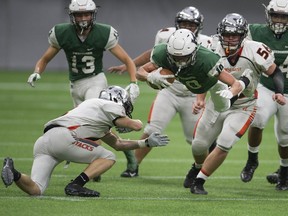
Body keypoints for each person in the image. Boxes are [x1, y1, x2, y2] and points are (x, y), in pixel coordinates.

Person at [26, 0, 140, 178]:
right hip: (75, 84)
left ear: (93, 14)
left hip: (95, 81)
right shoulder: (62, 33)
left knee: (96, 121)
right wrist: (36, 71)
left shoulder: (103, 33)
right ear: (72, 16)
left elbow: (127, 60)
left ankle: (117, 160)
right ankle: (100, 159)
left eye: (86, 14)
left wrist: (133, 81)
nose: (83, 18)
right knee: (85, 125)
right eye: (79, 14)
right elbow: (45, 58)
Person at [1, 86, 169, 197]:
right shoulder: (108, 105)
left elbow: (118, 144)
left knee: (36, 190)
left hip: (44, 142)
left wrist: (145, 143)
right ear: (118, 101)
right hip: (64, 138)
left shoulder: (95, 115)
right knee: (108, 157)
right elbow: (136, 125)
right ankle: (76, 185)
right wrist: (136, 124)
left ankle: (14, 172)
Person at [108, 6, 215, 179]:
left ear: (199, 26)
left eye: (191, 24)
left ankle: (202, 170)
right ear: (177, 24)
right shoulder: (166, 36)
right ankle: (133, 166)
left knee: (195, 140)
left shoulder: (208, 43)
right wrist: (133, 66)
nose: (187, 27)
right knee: (152, 129)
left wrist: (200, 97)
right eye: (183, 23)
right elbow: (153, 55)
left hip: (192, 95)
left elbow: (210, 73)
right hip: (169, 92)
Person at [188, 13, 286, 195]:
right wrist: (200, 99)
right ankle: (197, 166)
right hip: (216, 104)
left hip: (243, 106)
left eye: (234, 35)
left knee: (225, 142)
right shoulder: (210, 48)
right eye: (226, 34)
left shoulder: (255, 50)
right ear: (220, 34)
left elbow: (276, 73)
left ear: (243, 36)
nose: (230, 39)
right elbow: (204, 75)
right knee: (198, 146)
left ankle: (200, 181)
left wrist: (279, 92)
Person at [239, 0, 288, 190]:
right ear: (268, 14)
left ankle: (284, 172)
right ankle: (252, 159)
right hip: (267, 86)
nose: (279, 20)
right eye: (276, 15)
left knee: (285, 135)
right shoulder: (255, 31)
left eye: (284, 17)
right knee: (257, 118)